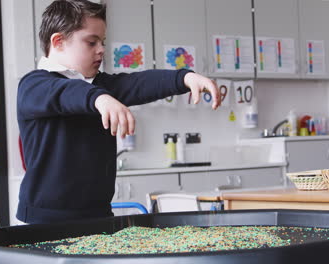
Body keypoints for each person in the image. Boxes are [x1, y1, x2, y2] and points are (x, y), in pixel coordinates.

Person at [17, 0, 221, 224]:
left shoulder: (98, 85)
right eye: (91, 42)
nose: (101, 49)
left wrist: (184, 77)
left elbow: (138, 83)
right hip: (43, 220)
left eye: (102, 42)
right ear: (58, 42)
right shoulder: (33, 85)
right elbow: (64, 93)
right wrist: (99, 98)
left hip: (98, 215)